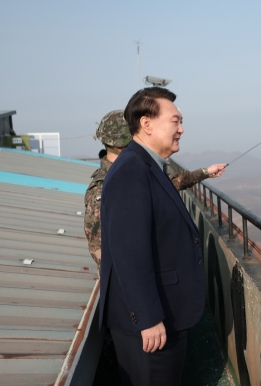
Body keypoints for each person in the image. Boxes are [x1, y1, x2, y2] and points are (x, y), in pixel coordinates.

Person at [99, 88, 224, 386]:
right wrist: (149, 318)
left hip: (161, 314)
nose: (181, 129)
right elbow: (129, 253)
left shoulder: (145, 166)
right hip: (150, 324)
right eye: (175, 121)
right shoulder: (132, 171)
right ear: (147, 124)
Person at [84, 109, 225, 271]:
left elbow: (168, 182)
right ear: (122, 146)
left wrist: (205, 172)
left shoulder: (132, 174)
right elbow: (102, 252)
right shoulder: (103, 191)